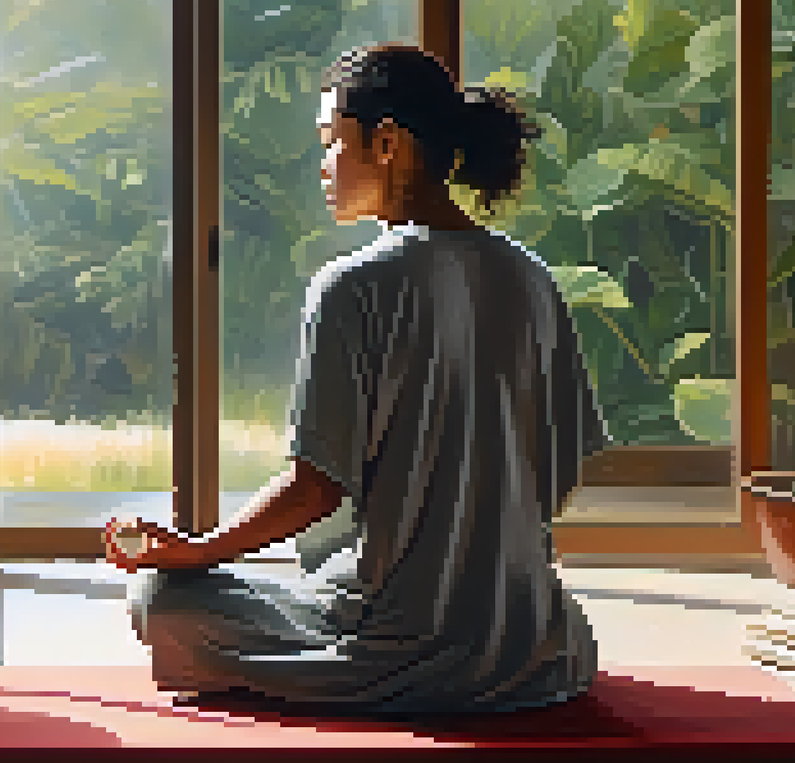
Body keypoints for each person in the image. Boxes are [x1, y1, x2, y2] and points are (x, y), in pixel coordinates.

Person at [103, 43, 610, 715]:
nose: (323, 165)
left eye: (331, 141)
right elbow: (561, 468)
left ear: (389, 144)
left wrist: (199, 552)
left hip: (395, 643)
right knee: (537, 609)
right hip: (531, 647)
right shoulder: (532, 278)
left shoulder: (352, 287)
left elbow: (316, 488)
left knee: (163, 601)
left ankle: (387, 667)